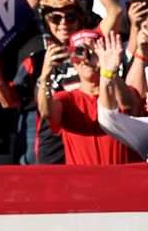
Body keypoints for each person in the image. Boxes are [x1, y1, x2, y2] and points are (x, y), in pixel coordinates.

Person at [36, 30, 142, 165]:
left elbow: (129, 105)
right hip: (83, 183)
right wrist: (45, 77)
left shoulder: (120, 92)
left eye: (93, 52)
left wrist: (109, 70)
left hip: (123, 181)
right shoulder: (68, 99)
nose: (86, 59)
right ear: (72, 61)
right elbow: (47, 112)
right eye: (79, 52)